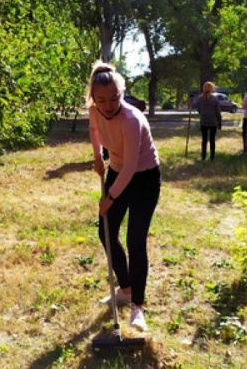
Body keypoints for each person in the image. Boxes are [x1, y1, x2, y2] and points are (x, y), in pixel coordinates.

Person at [87, 61, 161, 332]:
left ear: (122, 93)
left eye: (114, 98)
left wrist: (111, 197)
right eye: (101, 100)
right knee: (105, 231)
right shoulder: (95, 112)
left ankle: (138, 307)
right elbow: (94, 130)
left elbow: (131, 166)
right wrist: (98, 155)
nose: (108, 105)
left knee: (135, 240)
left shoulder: (131, 119)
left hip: (144, 177)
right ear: (94, 98)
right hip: (118, 171)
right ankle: (126, 288)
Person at [189, 81, 222, 161]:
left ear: (204, 88)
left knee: (204, 139)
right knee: (212, 139)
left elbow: (194, 105)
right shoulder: (215, 99)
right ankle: (212, 157)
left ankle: (203, 156)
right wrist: (219, 122)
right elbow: (218, 111)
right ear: (212, 89)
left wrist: (192, 99)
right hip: (213, 121)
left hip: (204, 120)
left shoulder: (200, 98)